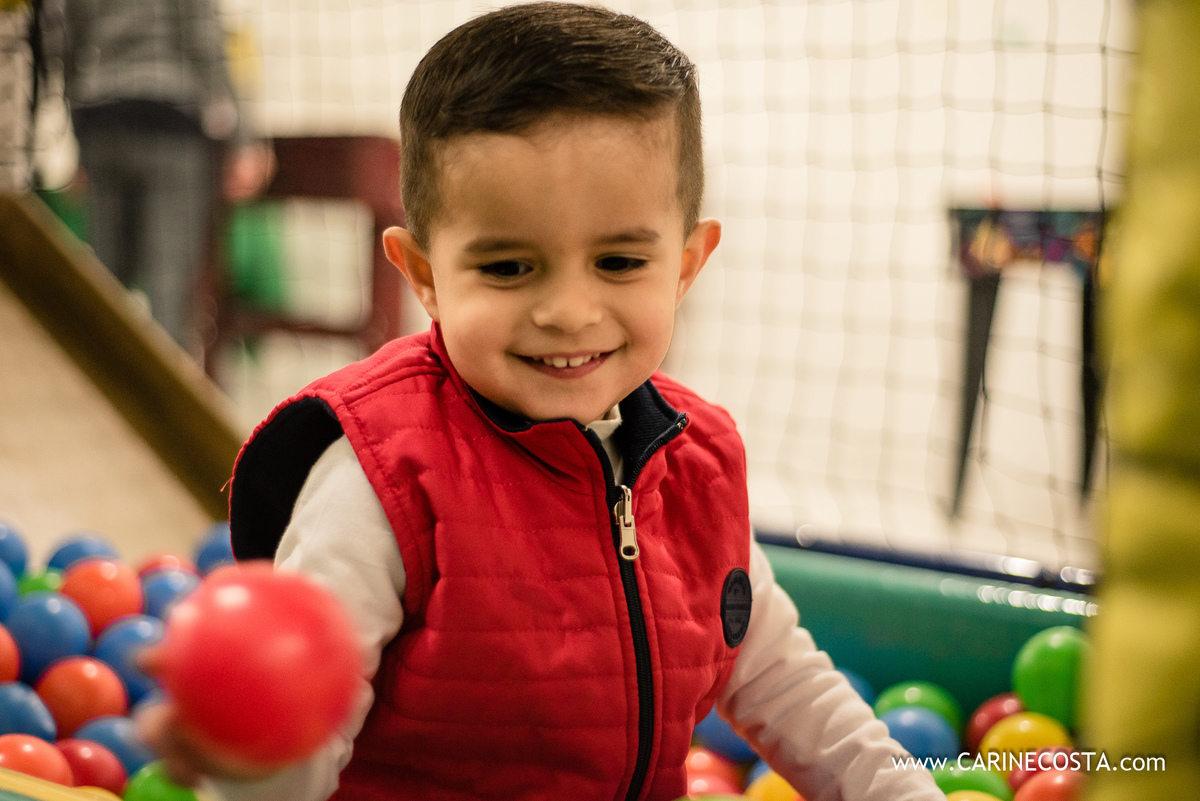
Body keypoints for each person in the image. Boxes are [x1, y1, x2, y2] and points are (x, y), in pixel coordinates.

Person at [137, 4, 945, 800]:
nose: (568, 310)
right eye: (509, 268)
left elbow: (778, 674)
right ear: (421, 274)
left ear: (689, 262)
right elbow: (304, 719)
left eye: (621, 261)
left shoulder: (694, 466)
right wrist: (248, 754)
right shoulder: (382, 476)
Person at [50, 0, 271, 350]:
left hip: (100, 123)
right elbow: (205, 40)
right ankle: (161, 401)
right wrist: (244, 140)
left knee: (106, 289)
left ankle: (99, 397)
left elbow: (66, 46)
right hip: (168, 124)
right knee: (169, 295)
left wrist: (79, 146)